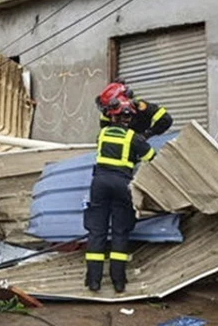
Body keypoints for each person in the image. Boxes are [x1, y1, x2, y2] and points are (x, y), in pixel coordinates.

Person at [84, 97, 156, 294]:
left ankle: (94, 281)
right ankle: (118, 282)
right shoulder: (133, 137)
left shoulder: (102, 134)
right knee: (119, 232)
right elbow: (151, 157)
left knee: (97, 232)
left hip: (99, 183)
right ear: (129, 119)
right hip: (122, 185)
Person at [97, 80, 173, 138]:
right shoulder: (107, 112)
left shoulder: (141, 107)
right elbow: (104, 129)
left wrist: (147, 134)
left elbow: (166, 119)